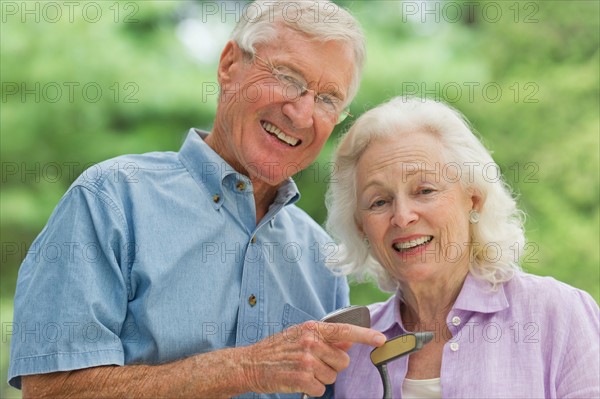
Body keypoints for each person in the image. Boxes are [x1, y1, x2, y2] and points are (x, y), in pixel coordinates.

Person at [8, 1, 386, 397]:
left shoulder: (323, 260)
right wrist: (245, 368)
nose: (302, 113)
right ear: (228, 65)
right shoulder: (111, 200)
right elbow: (52, 392)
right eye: (288, 77)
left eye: (328, 100)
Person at [325, 96, 600, 398]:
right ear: (361, 225)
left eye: (425, 190)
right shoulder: (350, 349)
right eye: (379, 201)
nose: (402, 217)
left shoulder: (559, 314)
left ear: (474, 198)